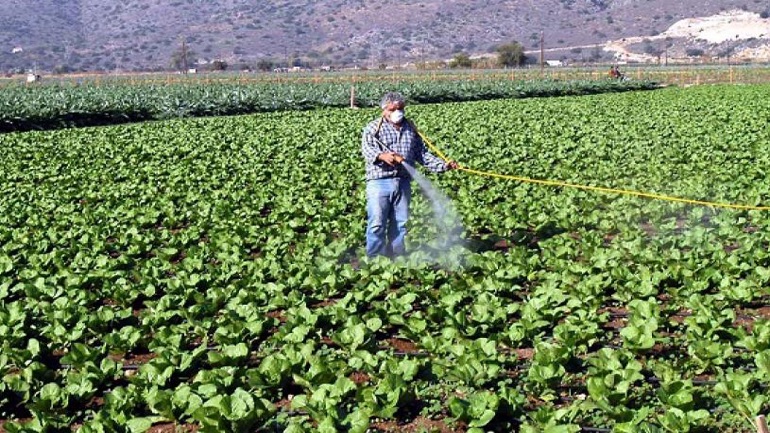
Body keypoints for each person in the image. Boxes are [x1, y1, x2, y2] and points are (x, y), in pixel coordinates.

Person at [361, 92, 458, 258]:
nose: (398, 112)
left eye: (401, 108)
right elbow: (367, 149)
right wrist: (382, 156)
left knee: (400, 223)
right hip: (379, 181)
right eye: (393, 109)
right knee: (377, 223)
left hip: (403, 181)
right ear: (384, 110)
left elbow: (422, 154)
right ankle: (374, 258)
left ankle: (397, 256)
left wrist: (444, 165)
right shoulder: (373, 128)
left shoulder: (411, 128)